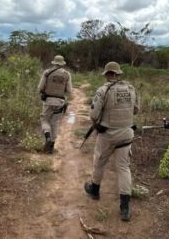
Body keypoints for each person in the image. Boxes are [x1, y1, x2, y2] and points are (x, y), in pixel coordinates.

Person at [84, 62, 140, 222]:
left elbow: (94, 114)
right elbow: (136, 110)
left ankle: (94, 190)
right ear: (118, 74)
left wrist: (97, 125)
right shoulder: (131, 89)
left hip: (108, 134)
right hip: (126, 134)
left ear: (107, 74)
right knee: (123, 168)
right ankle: (124, 207)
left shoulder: (103, 90)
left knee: (99, 162)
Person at [37, 55, 72, 154]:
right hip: (60, 102)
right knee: (55, 123)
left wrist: (45, 91)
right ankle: (51, 147)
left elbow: (40, 88)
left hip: (48, 101)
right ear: (62, 63)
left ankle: (47, 136)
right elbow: (69, 91)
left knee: (44, 120)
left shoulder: (47, 72)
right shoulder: (67, 74)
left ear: (54, 63)